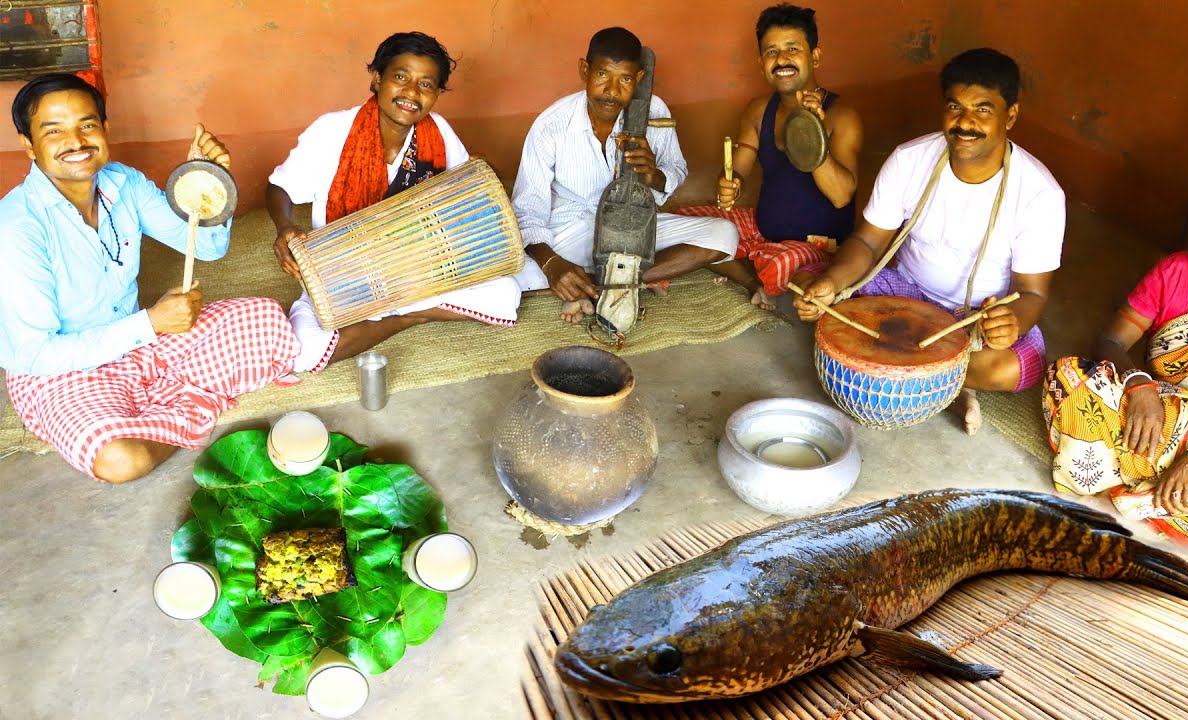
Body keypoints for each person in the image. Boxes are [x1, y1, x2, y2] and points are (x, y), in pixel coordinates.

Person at [0, 74, 300, 483]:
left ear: (105, 130)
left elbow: (208, 248)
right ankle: (192, 405)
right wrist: (152, 323)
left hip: (139, 345)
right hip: (60, 372)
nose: (76, 141)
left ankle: (156, 399)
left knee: (264, 318)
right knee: (121, 460)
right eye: (54, 131)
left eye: (87, 125)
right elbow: (35, 354)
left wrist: (205, 182)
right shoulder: (16, 225)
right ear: (29, 144)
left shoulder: (124, 182)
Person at [794, 48, 1064, 434]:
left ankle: (901, 371)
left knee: (1013, 366)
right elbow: (869, 243)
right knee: (811, 284)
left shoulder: (1040, 194)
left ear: (1012, 115)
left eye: (983, 109)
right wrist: (830, 286)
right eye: (955, 106)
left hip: (975, 317)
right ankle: (945, 387)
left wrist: (1009, 323)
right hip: (903, 298)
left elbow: (1032, 294)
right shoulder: (909, 159)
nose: (965, 122)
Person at [1045, 184, 1188, 575]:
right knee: (1068, 377)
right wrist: (1138, 384)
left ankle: (1136, 493)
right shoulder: (1177, 271)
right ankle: (1169, 504)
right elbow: (1111, 339)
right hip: (1157, 416)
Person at [269, 32, 520, 374]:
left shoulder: (438, 132)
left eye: (426, 84)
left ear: (436, 94)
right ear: (377, 79)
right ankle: (410, 316)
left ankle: (404, 313)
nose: (412, 94)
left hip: (418, 267)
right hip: (341, 271)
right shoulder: (331, 130)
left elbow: (467, 189)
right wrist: (285, 228)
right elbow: (279, 187)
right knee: (302, 353)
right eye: (401, 78)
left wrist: (481, 173)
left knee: (507, 294)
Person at [511, 26, 738, 324]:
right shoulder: (552, 125)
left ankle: (598, 286)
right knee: (514, 279)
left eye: (626, 79)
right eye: (603, 74)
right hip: (571, 230)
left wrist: (653, 175)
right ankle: (605, 280)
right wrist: (553, 264)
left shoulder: (653, 111)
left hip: (633, 227)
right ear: (585, 70)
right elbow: (527, 211)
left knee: (724, 235)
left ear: (639, 79)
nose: (612, 90)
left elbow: (676, 168)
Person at [677, 3, 863, 310]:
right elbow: (739, 168)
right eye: (771, 51)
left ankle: (735, 261)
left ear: (814, 56)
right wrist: (731, 183)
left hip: (813, 246)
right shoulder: (759, 109)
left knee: (784, 265)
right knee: (679, 222)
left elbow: (842, 196)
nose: (782, 60)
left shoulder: (843, 116)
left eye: (792, 49)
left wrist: (812, 134)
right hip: (760, 227)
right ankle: (745, 258)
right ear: (761, 60)